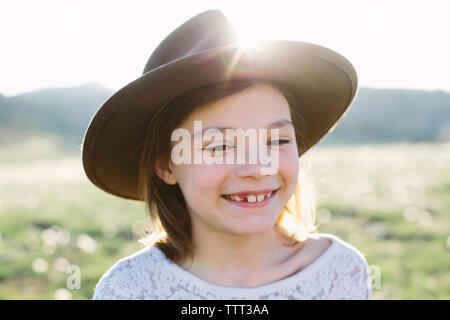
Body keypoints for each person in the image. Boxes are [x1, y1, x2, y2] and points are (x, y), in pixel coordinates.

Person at [82, 10, 371, 300]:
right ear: (166, 166)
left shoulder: (341, 273)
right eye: (220, 147)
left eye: (276, 140)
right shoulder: (130, 291)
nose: (258, 168)